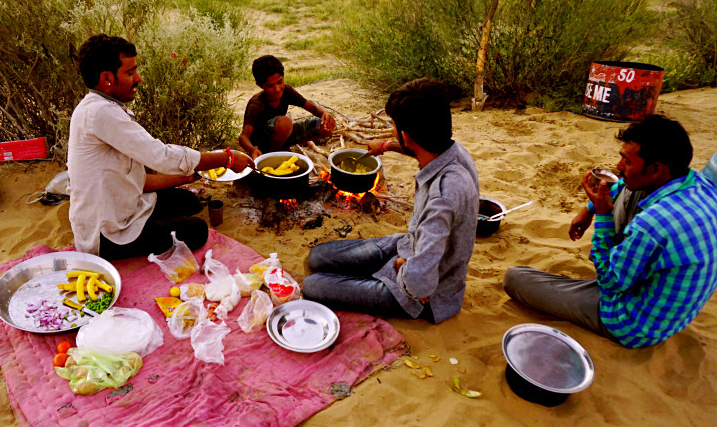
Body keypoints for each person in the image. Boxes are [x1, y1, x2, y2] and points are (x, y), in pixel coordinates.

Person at [504, 115, 717, 348]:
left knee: (516, 278)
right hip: (670, 311)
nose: (618, 167)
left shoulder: (652, 225)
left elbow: (611, 283)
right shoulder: (696, 183)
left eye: (626, 160)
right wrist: (589, 209)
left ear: (656, 169)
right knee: (628, 187)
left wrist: (603, 215)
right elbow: (626, 186)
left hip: (632, 323)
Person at [301, 78, 479, 323]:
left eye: (395, 128)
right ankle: (377, 271)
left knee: (313, 286)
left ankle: (377, 277)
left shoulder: (442, 197)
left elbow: (419, 285)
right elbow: (416, 145)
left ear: (407, 135)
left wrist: (400, 266)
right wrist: (386, 145)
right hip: (408, 245)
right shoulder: (453, 152)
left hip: (421, 295)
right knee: (317, 258)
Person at [67, 34, 250, 260]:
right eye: (130, 72)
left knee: (189, 202)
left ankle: (154, 223)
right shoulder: (99, 113)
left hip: (127, 205)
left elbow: (135, 180)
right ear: (106, 78)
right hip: (106, 231)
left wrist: (184, 177)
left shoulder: (105, 107)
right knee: (197, 231)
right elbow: (161, 156)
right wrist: (226, 158)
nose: (139, 78)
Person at [238, 55, 336, 160]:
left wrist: (325, 114)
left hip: (281, 136)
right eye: (270, 86)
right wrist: (252, 149)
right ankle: (272, 155)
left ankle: (283, 147)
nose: (277, 89)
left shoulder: (287, 91)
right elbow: (243, 137)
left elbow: (313, 108)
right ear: (260, 85)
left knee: (323, 126)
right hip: (261, 145)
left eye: (280, 82)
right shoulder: (257, 104)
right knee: (285, 123)